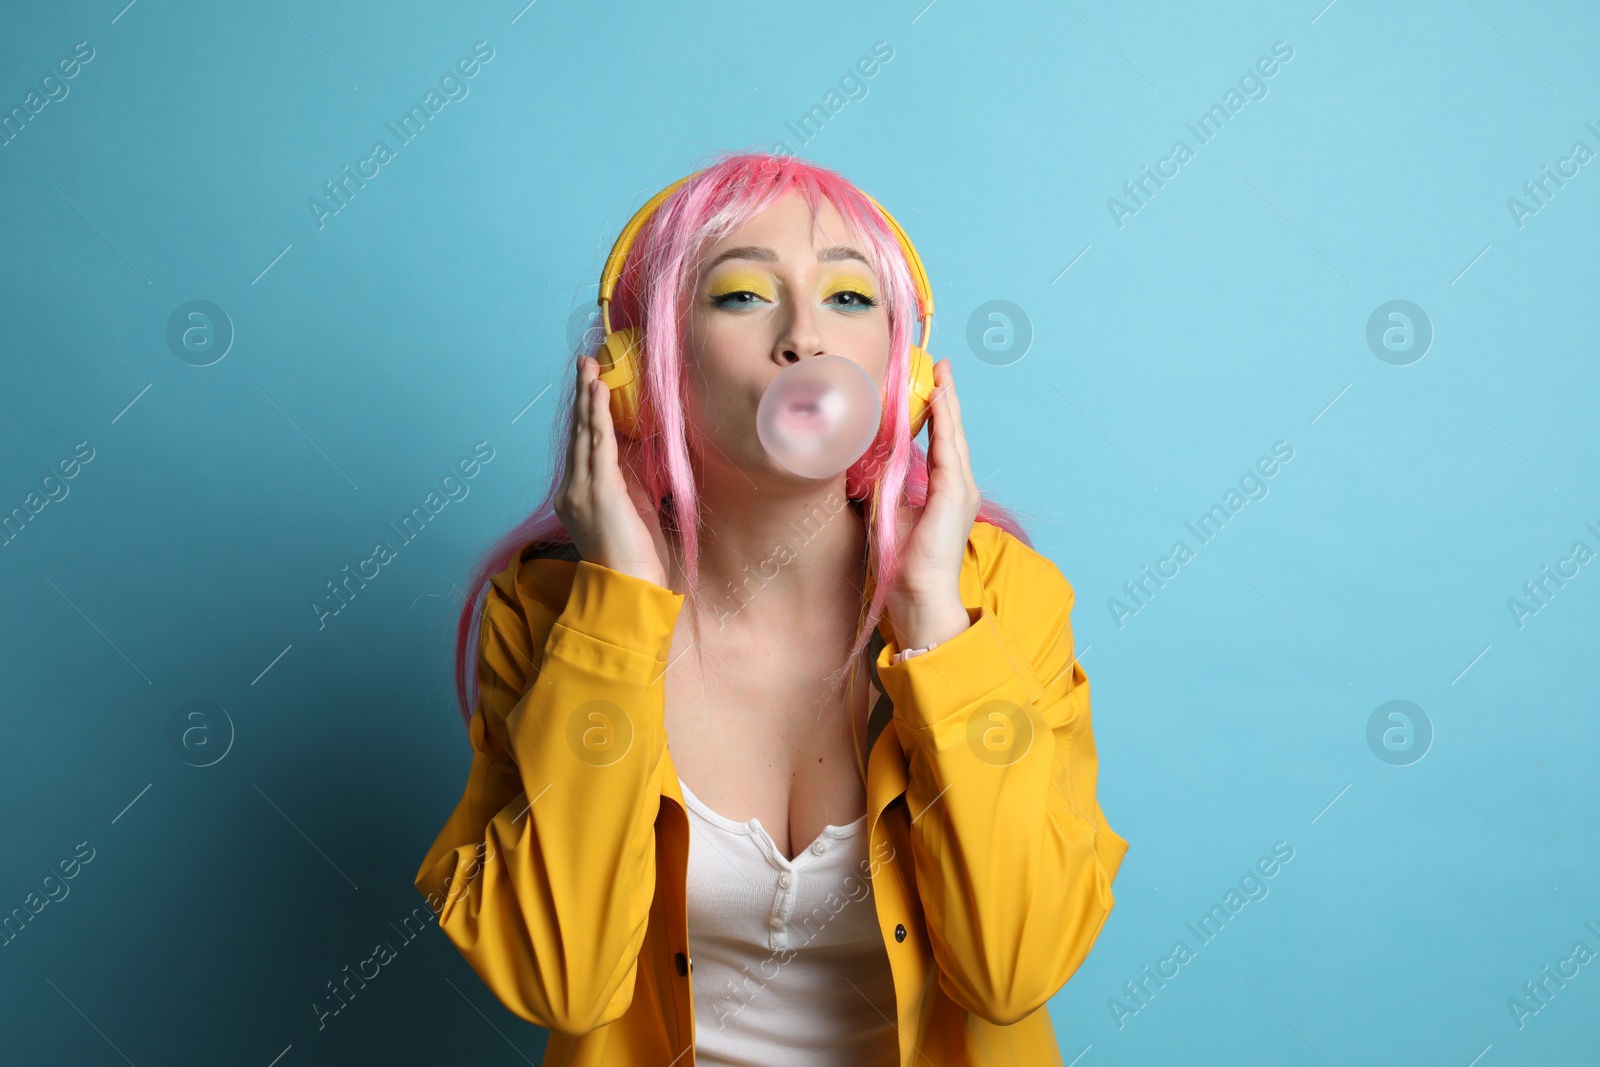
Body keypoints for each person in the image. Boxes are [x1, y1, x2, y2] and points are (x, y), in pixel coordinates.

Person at [413, 151, 1129, 1066]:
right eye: (743, 295)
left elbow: (1014, 970)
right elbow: (564, 982)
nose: (805, 338)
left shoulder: (1000, 603)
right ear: (640, 372)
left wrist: (935, 629)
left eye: (849, 299)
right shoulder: (556, 612)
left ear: (904, 375)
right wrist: (620, 611)